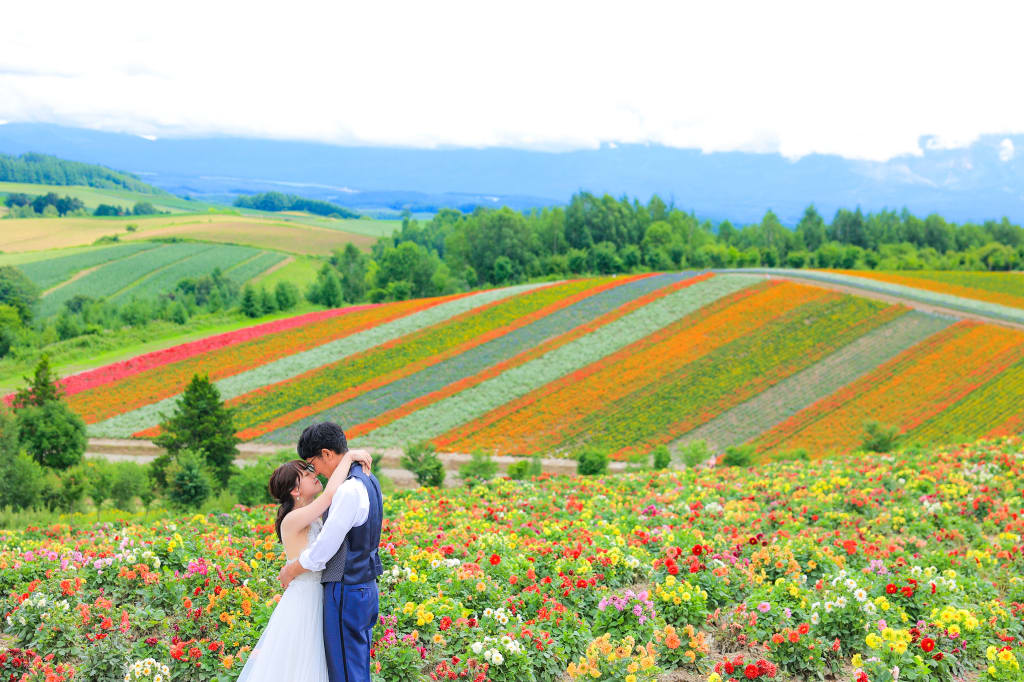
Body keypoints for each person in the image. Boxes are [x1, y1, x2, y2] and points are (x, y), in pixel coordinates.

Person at [235, 449, 371, 682]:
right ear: (295, 490)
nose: (313, 474)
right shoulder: (292, 519)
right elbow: (329, 496)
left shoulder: (309, 516)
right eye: (306, 474)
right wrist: (347, 458)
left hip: (318, 593)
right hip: (305, 600)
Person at [278, 422, 384, 682]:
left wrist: (291, 569)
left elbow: (321, 552)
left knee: (346, 673)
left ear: (326, 453)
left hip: (346, 589)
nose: (316, 471)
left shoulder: (348, 489)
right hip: (366, 586)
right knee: (356, 668)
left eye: (313, 462)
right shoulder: (368, 478)